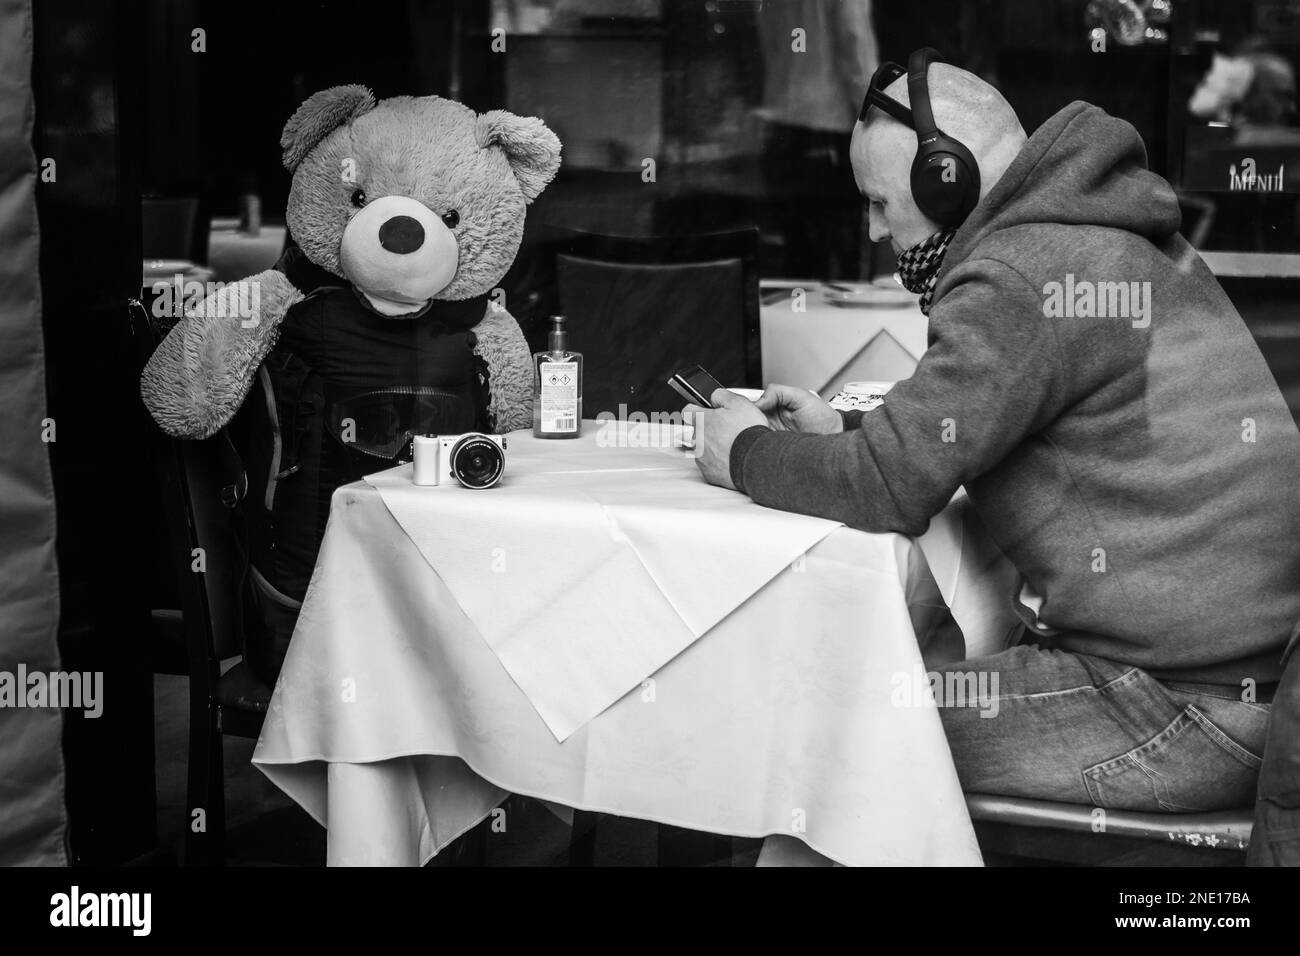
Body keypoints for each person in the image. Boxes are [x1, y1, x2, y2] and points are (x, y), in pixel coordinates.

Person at [685, 54, 1300, 812]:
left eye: (878, 203)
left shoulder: (1021, 273)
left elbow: (889, 486)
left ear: (948, 181)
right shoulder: (1097, 236)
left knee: (823, 728)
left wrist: (743, 454)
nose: (874, 230)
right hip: (1244, 689)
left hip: (1178, 709)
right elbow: (989, 424)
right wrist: (843, 428)